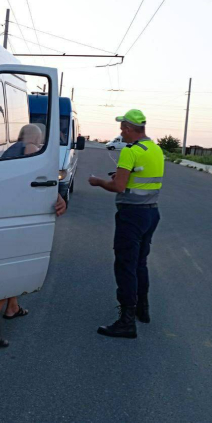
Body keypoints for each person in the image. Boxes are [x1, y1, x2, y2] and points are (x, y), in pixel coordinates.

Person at [0, 123, 67, 347]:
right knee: (14, 266)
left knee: (12, 260)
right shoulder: (29, 149)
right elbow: (37, 176)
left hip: (0, 212)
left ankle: (12, 307)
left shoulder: (9, 152)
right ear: (36, 139)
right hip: (17, 214)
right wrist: (57, 195)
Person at [88, 109, 164, 339]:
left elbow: (118, 187)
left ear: (130, 129)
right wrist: (123, 177)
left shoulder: (130, 151)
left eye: (122, 128)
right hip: (151, 213)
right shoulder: (155, 149)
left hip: (132, 215)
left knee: (125, 266)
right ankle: (142, 309)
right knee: (140, 263)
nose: (121, 132)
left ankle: (126, 321)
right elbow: (140, 180)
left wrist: (98, 181)